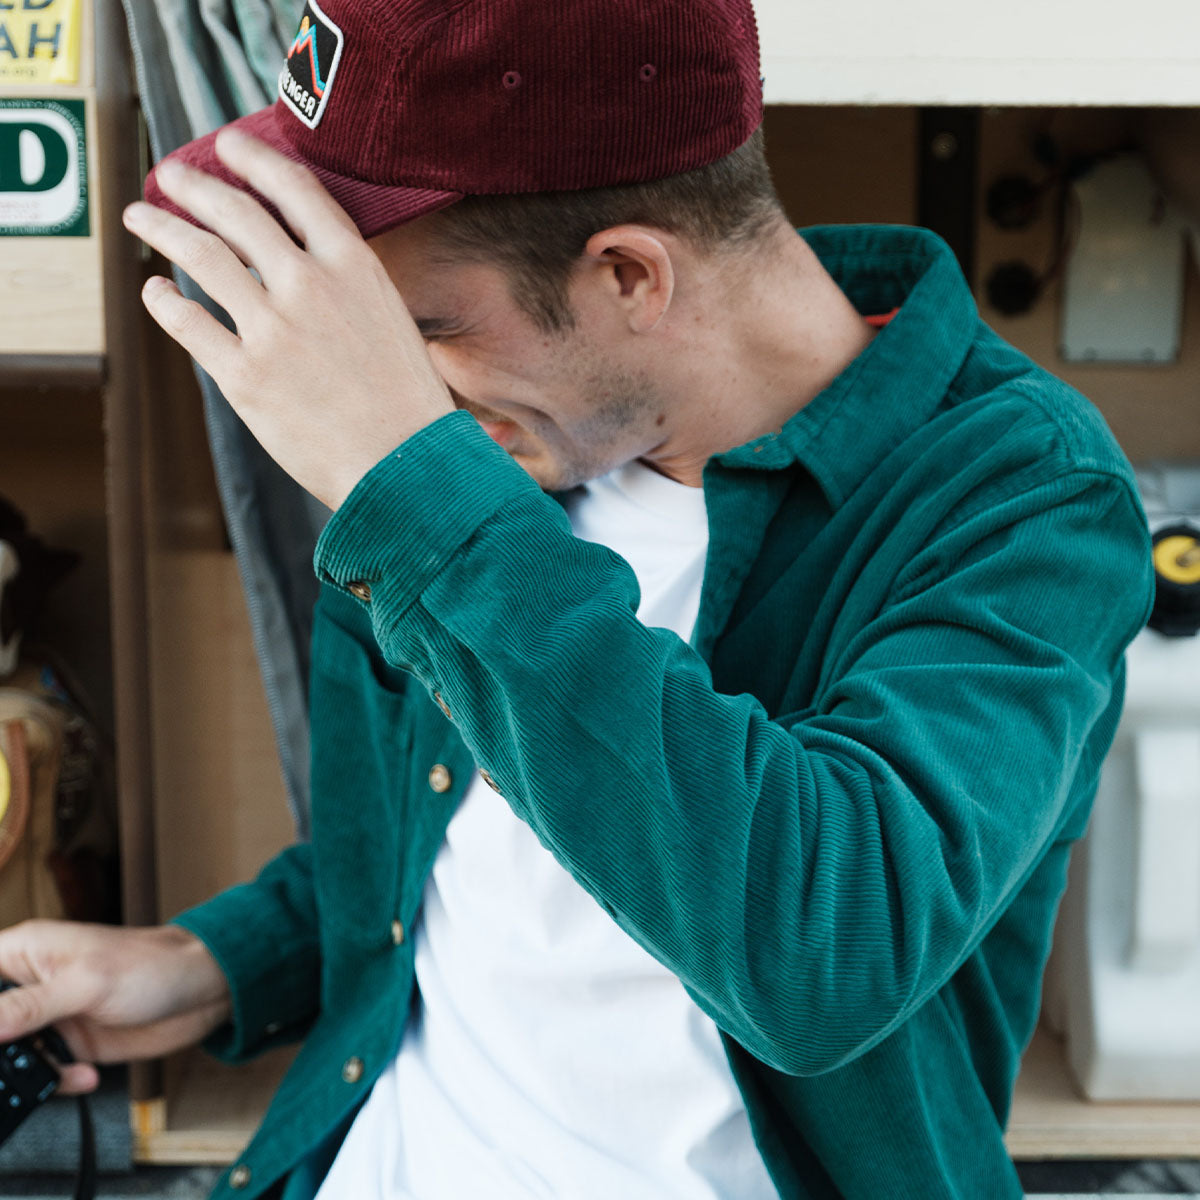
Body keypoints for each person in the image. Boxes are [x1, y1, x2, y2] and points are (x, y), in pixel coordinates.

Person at [0, 0, 1155, 1196]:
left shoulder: (1023, 498)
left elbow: (821, 957)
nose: (384, 386)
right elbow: (444, 861)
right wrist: (205, 965)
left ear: (626, 276)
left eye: (420, 332)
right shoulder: (502, 450)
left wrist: (416, 487)